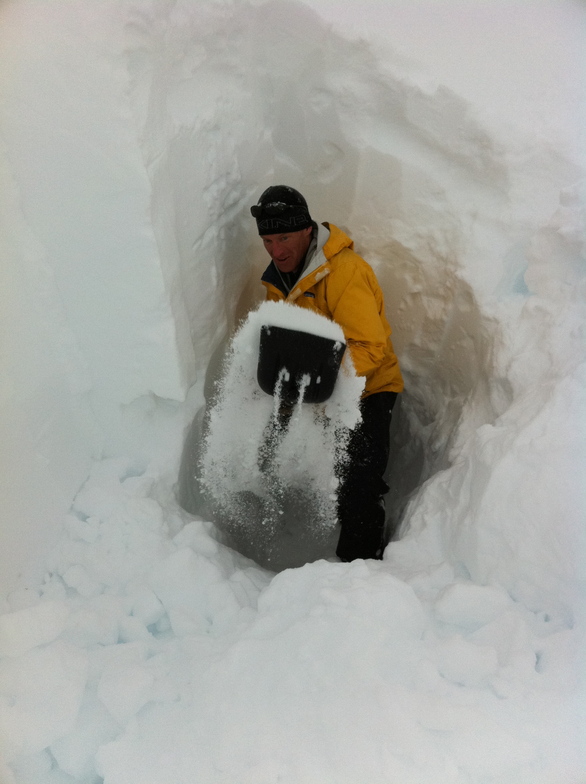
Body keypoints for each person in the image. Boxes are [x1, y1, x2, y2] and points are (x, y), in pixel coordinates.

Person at [250, 185, 404, 561]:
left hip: (368, 389)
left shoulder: (344, 272)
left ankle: (361, 569)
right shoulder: (277, 281)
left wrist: (319, 382)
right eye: (268, 240)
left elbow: (370, 347)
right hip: (315, 390)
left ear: (306, 230)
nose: (276, 250)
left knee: (357, 482)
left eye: (284, 237)